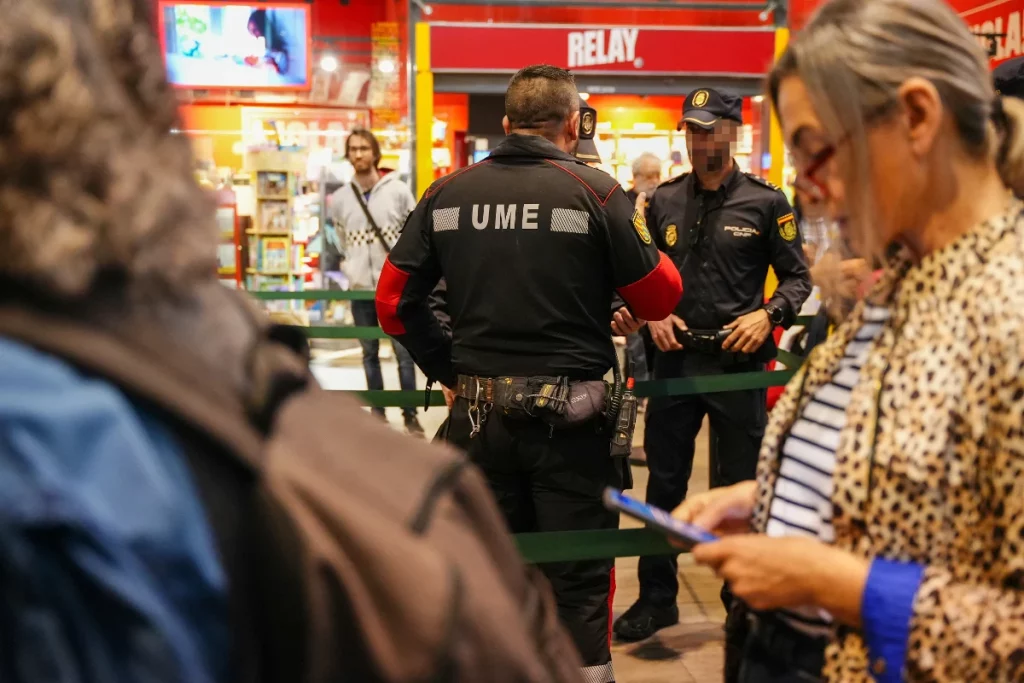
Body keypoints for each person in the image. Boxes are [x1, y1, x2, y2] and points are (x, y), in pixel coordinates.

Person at [673, 0, 1024, 680]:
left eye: (816, 151)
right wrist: (772, 497)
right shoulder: (908, 286)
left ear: (918, 117)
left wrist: (836, 583)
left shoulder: (1004, 306)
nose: (807, 188)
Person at [375, 64, 682, 683]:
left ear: (507, 124)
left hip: (478, 422)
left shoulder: (446, 193)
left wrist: (450, 369)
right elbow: (662, 297)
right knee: (579, 581)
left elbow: (392, 303)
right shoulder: (596, 191)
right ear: (573, 124)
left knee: (487, 576)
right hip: (574, 432)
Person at [614, 87, 812, 643]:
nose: (701, 140)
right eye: (692, 130)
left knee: (742, 485)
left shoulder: (767, 202)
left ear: (734, 132)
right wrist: (651, 316)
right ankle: (656, 599)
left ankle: (742, 602)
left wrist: (769, 315)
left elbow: (798, 278)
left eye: (710, 129)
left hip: (738, 366)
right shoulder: (663, 201)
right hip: (674, 365)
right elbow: (640, 275)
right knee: (665, 486)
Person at [329, 128, 424, 436]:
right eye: (353, 149)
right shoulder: (341, 199)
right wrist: (352, 266)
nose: (358, 154)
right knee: (368, 353)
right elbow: (341, 239)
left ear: (374, 153)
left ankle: (410, 414)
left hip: (394, 286)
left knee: (403, 352)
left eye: (363, 148)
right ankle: (377, 414)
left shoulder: (397, 190)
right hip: (360, 288)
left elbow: (414, 232)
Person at [622, 152, 664, 394]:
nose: (654, 181)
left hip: (656, 284)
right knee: (635, 345)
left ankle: (649, 387)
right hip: (632, 286)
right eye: (649, 176)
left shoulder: (663, 202)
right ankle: (637, 391)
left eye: (657, 175)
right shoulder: (624, 201)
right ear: (636, 177)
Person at [247, 8, 290, 76]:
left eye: (255, 30)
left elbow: (281, 71)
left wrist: (273, 65)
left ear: (261, 26)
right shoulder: (268, 45)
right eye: (251, 32)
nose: (255, 36)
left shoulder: (278, 42)